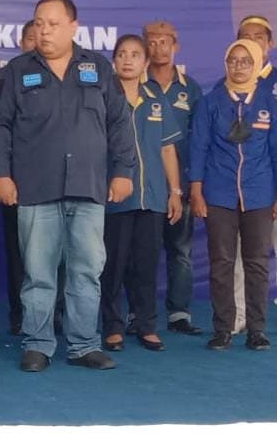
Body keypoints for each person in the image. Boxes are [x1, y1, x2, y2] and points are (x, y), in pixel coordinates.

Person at [0, 0, 135, 373]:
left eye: (53, 24)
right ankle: (38, 344)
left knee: (86, 270)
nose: (44, 31)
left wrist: (124, 171)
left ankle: (84, 345)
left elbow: (120, 123)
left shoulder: (98, 68)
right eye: (39, 23)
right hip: (36, 188)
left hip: (88, 186)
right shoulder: (16, 71)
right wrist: (0, 174)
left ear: (73, 26)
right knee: (38, 273)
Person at [189, 38, 277, 351]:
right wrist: (196, 190)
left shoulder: (268, 102)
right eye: (233, 60)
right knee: (222, 262)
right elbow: (198, 148)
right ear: (225, 63)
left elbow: (275, 150)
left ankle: (257, 330)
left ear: (257, 64)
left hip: (259, 193)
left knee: (257, 263)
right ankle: (223, 329)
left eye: (246, 61)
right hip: (219, 193)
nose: (238, 66)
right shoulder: (211, 102)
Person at [100, 35, 182, 353]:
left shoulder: (155, 100)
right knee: (113, 265)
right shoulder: (104, 99)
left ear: (146, 62)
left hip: (153, 197)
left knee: (146, 265)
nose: (128, 60)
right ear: (114, 61)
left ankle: (145, 324)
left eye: (135, 54)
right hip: (116, 197)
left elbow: (167, 149)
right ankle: (112, 326)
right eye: (122, 54)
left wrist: (174, 192)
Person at [141, 21, 203, 336]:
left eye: (165, 42)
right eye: (152, 42)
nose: (159, 48)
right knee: (142, 252)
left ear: (175, 46)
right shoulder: (137, 83)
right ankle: (139, 313)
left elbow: (200, 139)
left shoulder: (189, 88)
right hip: (145, 182)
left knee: (181, 251)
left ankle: (179, 313)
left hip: (181, 182)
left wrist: (194, 184)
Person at [0, 19, 37, 335]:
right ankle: (21, 314)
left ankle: (56, 313)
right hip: (17, 179)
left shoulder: (67, 72)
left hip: (56, 179)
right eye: (31, 37)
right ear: (21, 43)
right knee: (20, 251)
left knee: (58, 253)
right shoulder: (8, 75)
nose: (37, 42)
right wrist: (2, 173)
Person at [232, 15, 276, 332]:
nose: (253, 41)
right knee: (240, 254)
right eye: (245, 36)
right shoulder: (228, 84)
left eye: (259, 36)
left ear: (269, 43)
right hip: (247, 187)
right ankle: (239, 316)